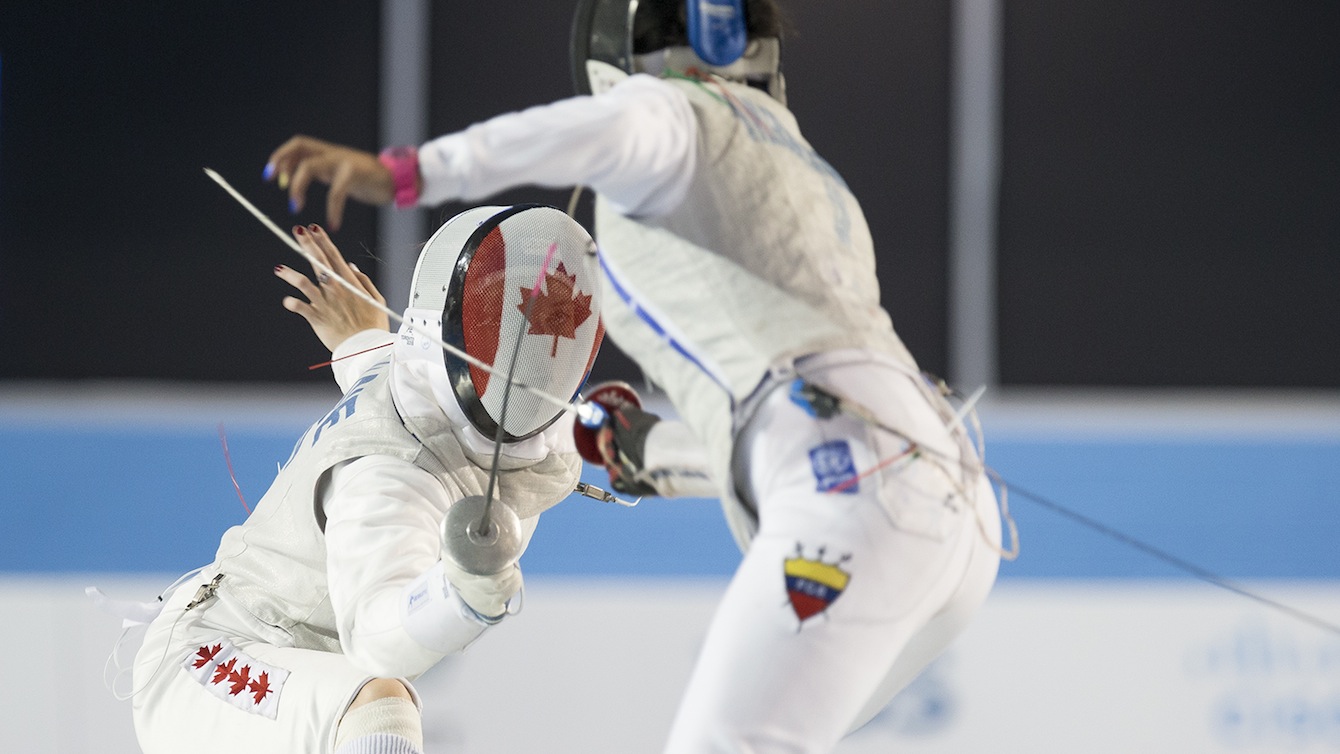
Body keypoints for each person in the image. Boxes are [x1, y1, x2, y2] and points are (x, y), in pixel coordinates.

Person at [264, 1, 1011, 750]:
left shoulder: (670, 114)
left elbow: (600, 130)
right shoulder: (795, 160)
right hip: (952, 498)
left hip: (853, 495)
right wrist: (650, 453)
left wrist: (405, 172)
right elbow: (790, 431)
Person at [128, 207, 604, 754]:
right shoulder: (389, 475)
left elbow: (375, 361)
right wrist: (461, 595)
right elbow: (380, 645)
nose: (529, 345)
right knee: (380, 706)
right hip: (213, 664)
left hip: (293, 693)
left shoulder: (415, 377)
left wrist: (356, 337)